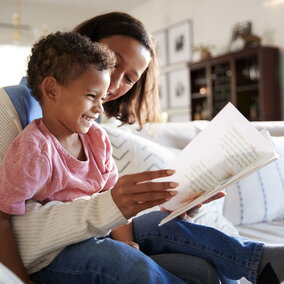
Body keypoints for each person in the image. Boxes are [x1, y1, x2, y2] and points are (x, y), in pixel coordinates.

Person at [0, 12, 283, 284]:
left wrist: (133, 237)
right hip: (57, 250)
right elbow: (7, 219)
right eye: (112, 65)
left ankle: (258, 260)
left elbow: (110, 199)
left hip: (99, 232)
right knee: (124, 261)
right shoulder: (29, 139)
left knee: (174, 239)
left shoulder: (95, 135)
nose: (111, 85)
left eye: (128, 78)